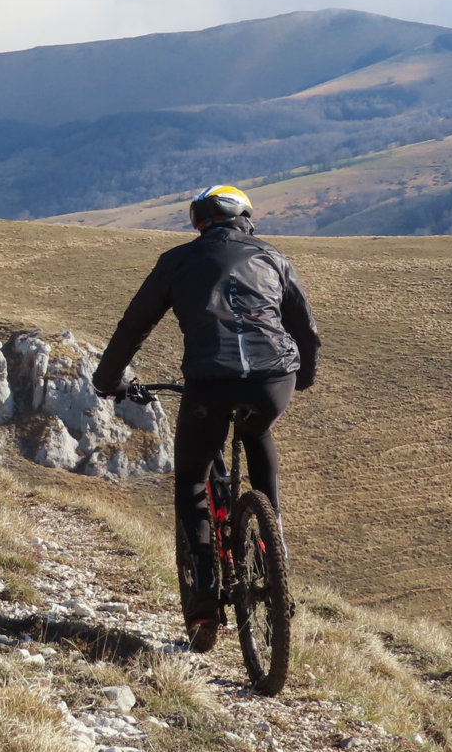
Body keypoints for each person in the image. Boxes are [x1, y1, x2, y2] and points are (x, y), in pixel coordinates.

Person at [91, 184, 320, 649]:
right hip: (274, 379)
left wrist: (107, 380)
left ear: (199, 223)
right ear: (245, 219)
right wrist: (305, 377)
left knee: (193, 477)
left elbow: (133, 327)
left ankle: (202, 594)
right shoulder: (272, 256)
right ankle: (274, 546)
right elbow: (305, 330)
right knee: (257, 432)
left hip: (209, 382)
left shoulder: (176, 261)